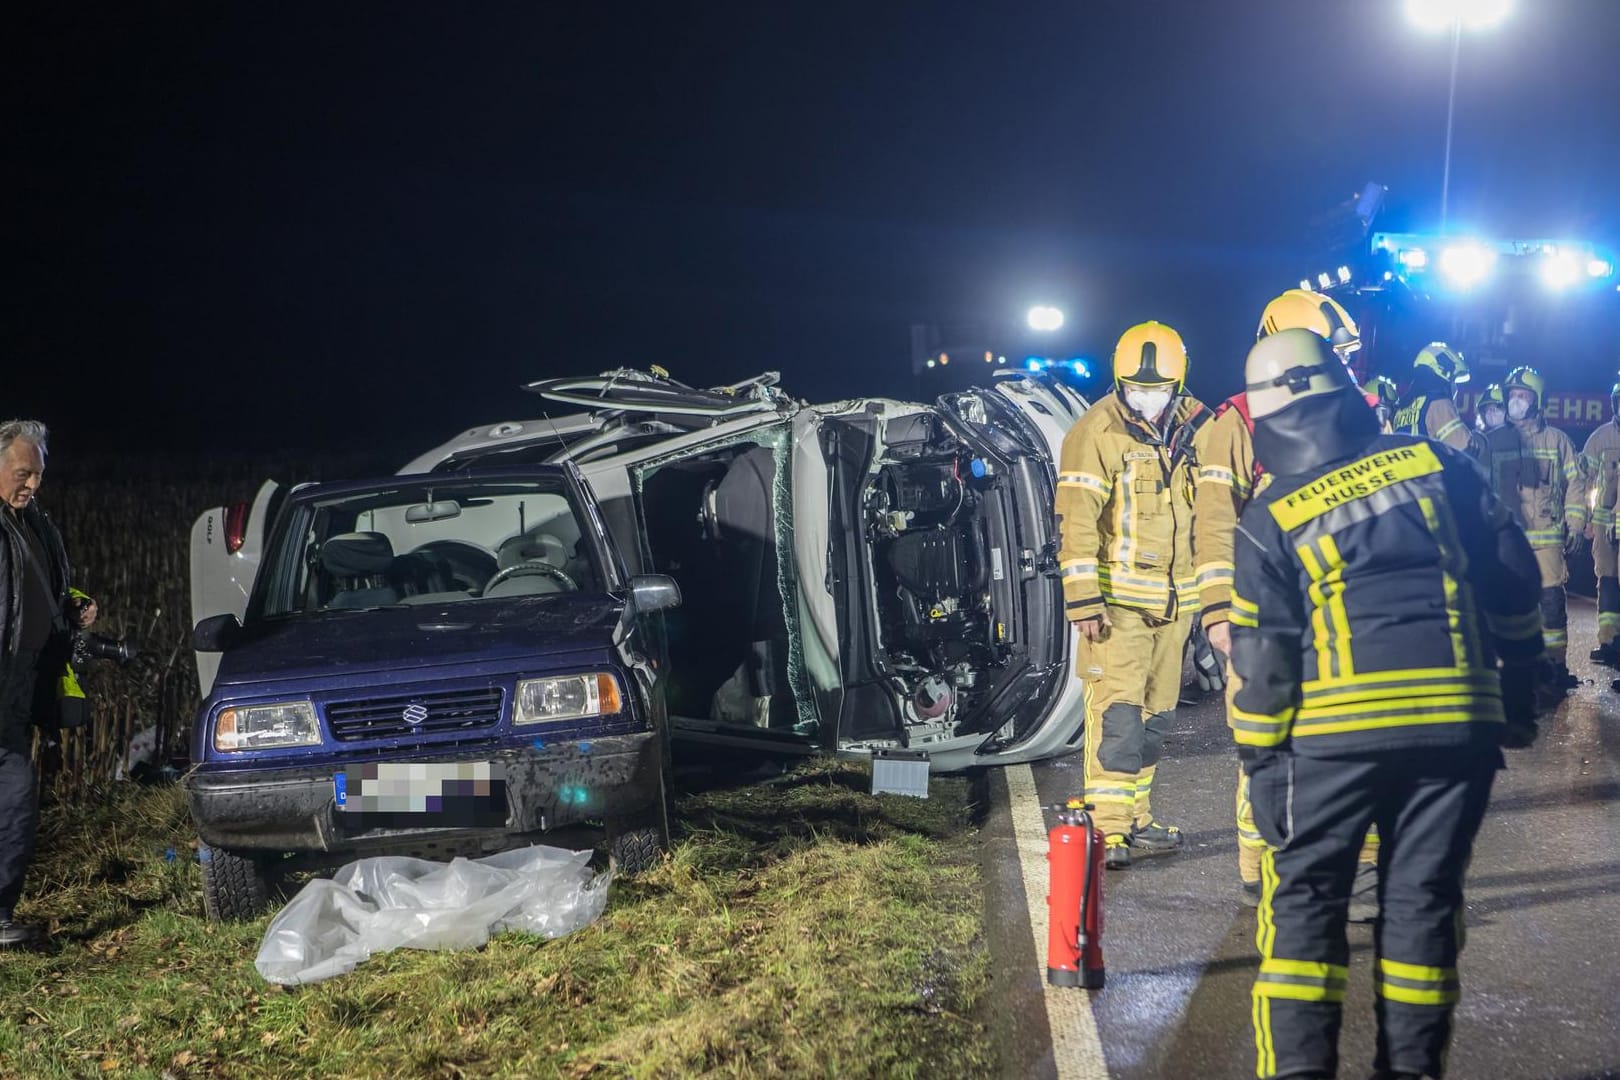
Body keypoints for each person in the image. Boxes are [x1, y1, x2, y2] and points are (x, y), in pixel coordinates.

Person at [1230, 329, 1544, 1080]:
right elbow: (1513, 572)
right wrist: (1521, 677)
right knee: (1422, 907)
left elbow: (1264, 662)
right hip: (1455, 731)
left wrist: (1262, 765)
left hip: (1333, 743)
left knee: (1304, 914)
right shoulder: (1435, 459)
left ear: (1265, 419)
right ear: (1345, 389)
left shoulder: (1269, 516)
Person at [1192, 288, 1380, 910]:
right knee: (1270, 745)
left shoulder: (1359, 413)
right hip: (1263, 612)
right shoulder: (1237, 424)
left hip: (1345, 608)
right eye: (1338, 356)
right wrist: (1219, 611)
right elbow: (1215, 524)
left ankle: (1363, 866)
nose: (1351, 370)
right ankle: (1265, 866)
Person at [1056, 321, 1211, 869]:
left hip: (1176, 607)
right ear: (1119, 380)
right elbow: (1075, 525)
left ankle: (1135, 817)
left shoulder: (1199, 428)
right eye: (1136, 387)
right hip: (1116, 607)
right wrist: (1084, 602)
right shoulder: (1095, 432)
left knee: (1157, 717)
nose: (1146, 397)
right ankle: (1107, 828)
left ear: (1179, 383)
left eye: (1159, 388)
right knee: (1119, 716)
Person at [0, 420, 96, 949]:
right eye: (23, 473)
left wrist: (72, 606)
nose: (33, 484)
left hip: (19, 684)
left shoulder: (32, 520)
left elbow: (41, 586)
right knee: (13, 790)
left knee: (15, 794)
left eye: (37, 474)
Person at [1497, 366, 1587, 688]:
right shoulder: (1496, 441)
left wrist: (1576, 526)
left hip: (1548, 542)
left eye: (1522, 395)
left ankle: (1555, 668)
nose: (1515, 401)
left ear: (1537, 401)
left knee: (1551, 606)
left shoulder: (1557, 440)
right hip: (1509, 541)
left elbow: (1576, 482)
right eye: (1512, 395)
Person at [1581, 375, 1620, 667]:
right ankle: (1608, 641)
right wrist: (1588, 519)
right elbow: (1586, 482)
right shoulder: (1600, 438)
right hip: (1605, 526)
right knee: (1606, 581)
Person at [1392, 342, 1475, 454]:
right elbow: (1465, 447)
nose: (1455, 386)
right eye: (1453, 380)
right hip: (1432, 470)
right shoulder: (1439, 404)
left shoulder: (1403, 407)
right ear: (1444, 375)